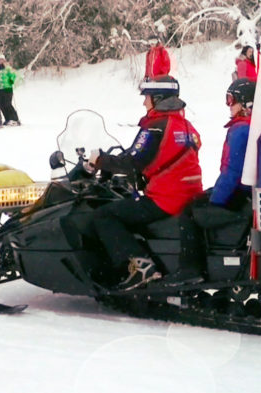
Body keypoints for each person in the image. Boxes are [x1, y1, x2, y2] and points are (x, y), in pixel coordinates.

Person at [86, 75, 203, 290]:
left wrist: (100, 161)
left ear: (158, 99)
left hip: (166, 200)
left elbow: (133, 160)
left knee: (104, 215)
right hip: (190, 195)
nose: (144, 102)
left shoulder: (155, 127)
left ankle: (140, 266)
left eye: (147, 98)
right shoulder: (186, 127)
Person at [163, 78, 255, 286]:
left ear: (246, 104)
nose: (229, 105)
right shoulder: (255, 126)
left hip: (239, 194)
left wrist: (216, 201)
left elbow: (232, 173)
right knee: (200, 200)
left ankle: (190, 269)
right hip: (248, 192)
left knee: (190, 213)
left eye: (231, 100)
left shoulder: (240, 130)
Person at [0, 53, 20, 126]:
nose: (1, 61)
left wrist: (11, 80)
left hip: (7, 87)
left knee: (7, 103)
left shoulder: (7, 67)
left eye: (2, 59)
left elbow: (13, 74)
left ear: (4, 60)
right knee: (1, 104)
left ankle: (15, 118)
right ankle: (7, 118)